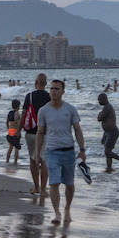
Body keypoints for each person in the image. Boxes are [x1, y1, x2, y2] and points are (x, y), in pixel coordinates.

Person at [33, 79, 85, 226]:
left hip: (68, 151)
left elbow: (77, 130)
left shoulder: (70, 109)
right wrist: (37, 153)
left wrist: (82, 150)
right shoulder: (43, 110)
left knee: (69, 184)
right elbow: (40, 132)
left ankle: (67, 208)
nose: (54, 91)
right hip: (51, 152)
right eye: (52, 89)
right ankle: (57, 212)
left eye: (57, 89)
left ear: (63, 91)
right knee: (54, 182)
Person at [23, 75, 51, 196]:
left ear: (36, 83)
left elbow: (24, 114)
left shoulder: (29, 96)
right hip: (45, 132)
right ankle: (44, 189)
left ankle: (36, 187)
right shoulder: (50, 97)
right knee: (44, 160)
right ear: (45, 83)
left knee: (33, 159)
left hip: (31, 132)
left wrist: (18, 130)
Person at [96, 93, 119, 172]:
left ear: (104, 99)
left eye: (99, 100)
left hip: (112, 131)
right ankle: (109, 167)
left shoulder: (107, 107)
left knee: (107, 151)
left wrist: (99, 114)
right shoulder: (106, 107)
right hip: (107, 132)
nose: (98, 102)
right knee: (107, 151)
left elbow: (99, 118)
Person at [4, 99, 22, 166]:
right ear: (18, 106)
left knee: (10, 147)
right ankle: (15, 162)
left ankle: (7, 161)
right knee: (16, 148)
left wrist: (8, 129)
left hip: (10, 131)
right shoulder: (17, 113)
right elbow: (18, 123)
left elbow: (7, 122)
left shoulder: (10, 113)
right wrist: (19, 131)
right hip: (16, 131)